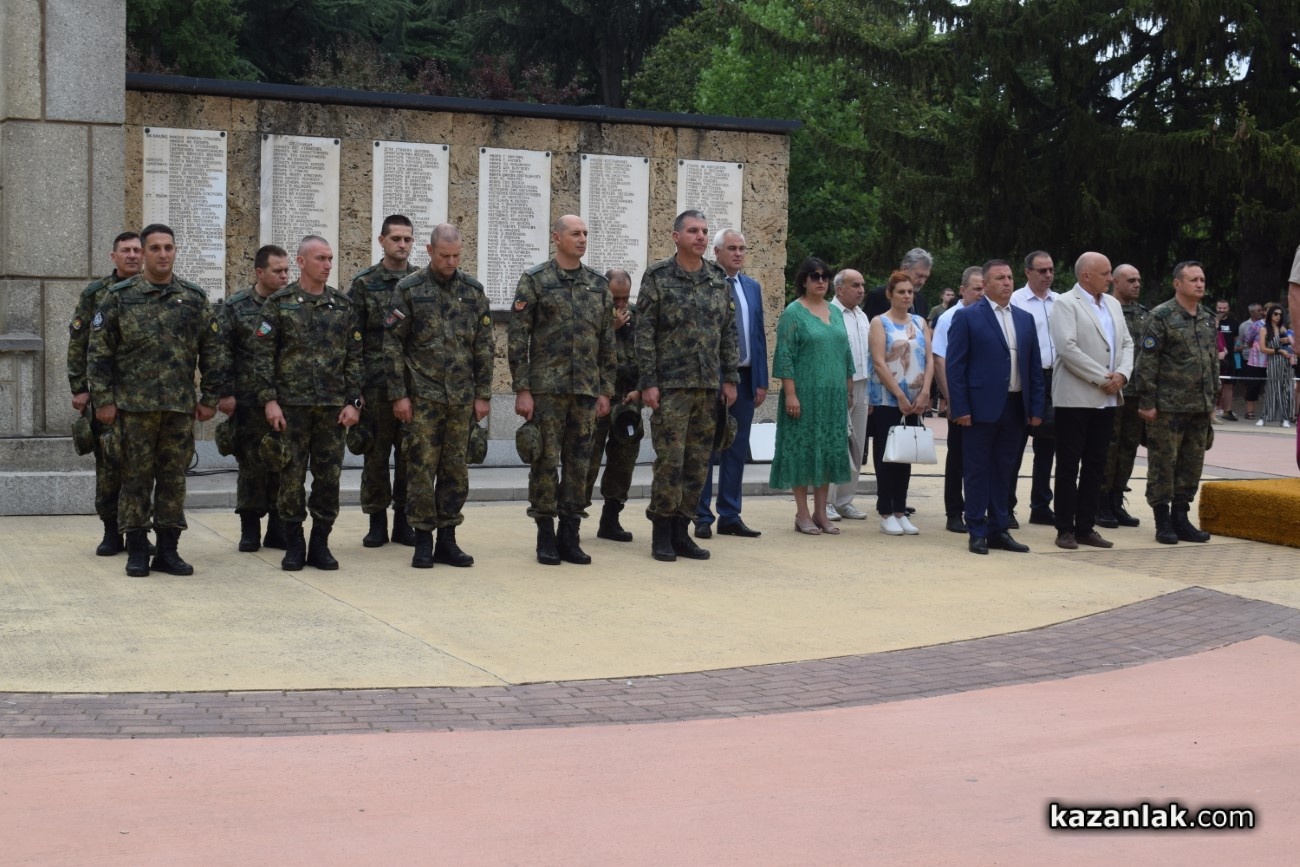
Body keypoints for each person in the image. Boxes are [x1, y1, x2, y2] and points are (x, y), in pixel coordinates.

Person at [86, 223, 226, 577]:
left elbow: (212, 351)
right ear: (145, 253)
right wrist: (103, 400)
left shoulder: (193, 298)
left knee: (173, 480)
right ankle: (136, 549)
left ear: (175, 251)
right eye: (155, 248)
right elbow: (99, 353)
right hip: (133, 409)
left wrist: (210, 397)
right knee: (134, 479)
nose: (163, 254)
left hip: (178, 408)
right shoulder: (119, 297)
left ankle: (168, 550)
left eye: (168, 247)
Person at [384, 223, 493, 569]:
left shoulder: (473, 291)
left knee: (455, 470)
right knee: (420, 468)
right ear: (430, 251)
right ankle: (422, 540)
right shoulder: (409, 289)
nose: (451, 262)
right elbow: (392, 344)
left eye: (456, 256)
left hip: (461, 399)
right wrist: (399, 395)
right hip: (423, 398)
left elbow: (484, 346)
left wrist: (483, 394)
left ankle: (448, 538)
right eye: (444, 255)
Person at [509, 215, 615, 566]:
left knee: (579, 465)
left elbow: (607, 342)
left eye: (585, 233)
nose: (582, 238)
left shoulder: (598, 284)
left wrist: (605, 390)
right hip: (546, 391)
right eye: (575, 233)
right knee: (544, 462)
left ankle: (570, 535)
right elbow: (518, 338)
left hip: (585, 391)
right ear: (556, 238)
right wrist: (522, 388)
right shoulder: (536, 281)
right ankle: (545, 536)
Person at [635, 210, 739, 561]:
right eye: (693, 230)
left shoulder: (717, 278)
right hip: (671, 387)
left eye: (705, 231)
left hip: (707, 387)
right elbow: (644, 333)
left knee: (697, 463)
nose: (700, 236)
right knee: (670, 462)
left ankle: (683, 532)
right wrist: (648, 382)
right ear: (676, 236)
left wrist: (730, 378)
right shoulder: (658, 276)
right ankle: (661, 534)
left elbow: (728, 331)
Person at [254, 235, 363, 571]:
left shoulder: (343, 305)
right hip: (292, 409)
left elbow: (355, 358)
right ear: (301, 262)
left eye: (330, 258)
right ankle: (294, 544)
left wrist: (354, 403)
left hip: (332, 410)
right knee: (290, 478)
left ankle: (320, 543)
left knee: (328, 479)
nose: (328, 265)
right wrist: (269, 401)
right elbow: (263, 356)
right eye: (320, 258)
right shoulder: (279, 304)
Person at [945, 259, 1045, 555]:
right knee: (976, 470)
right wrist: (960, 408)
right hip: (979, 409)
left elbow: (1034, 367)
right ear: (985, 284)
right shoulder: (967, 317)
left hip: (1015, 407)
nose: (1007, 282)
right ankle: (977, 529)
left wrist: (1035, 408)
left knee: (1005, 470)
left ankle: (999, 529)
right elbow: (955, 367)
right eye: (1000, 278)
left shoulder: (1024, 319)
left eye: (1010, 277)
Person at [1047, 252, 1133, 550]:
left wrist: (1122, 375)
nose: (1111, 278)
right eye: (1105, 273)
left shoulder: (1112, 304)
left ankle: (1086, 526)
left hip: (1107, 398)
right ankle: (1065, 528)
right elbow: (1067, 348)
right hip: (1075, 397)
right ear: (1086, 276)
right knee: (1069, 465)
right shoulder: (1065, 303)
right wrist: (1103, 377)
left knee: (1096, 464)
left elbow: (1127, 343)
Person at [1133, 261, 1219, 545]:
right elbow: (1147, 361)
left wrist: (1213, 399)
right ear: (1177, 284)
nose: (1200, 284)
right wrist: (1147, 401)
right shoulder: (1161, 316)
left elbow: (1212, 361)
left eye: (1202, 279)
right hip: (1168, 407)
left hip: (1199, 406)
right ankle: (1162, 520)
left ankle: (1181, 518)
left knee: (1192, 464)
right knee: (1163, 463)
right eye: (1193, 279)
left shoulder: (1207, 318)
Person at [67, 231, 142, 556]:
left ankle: (139, 531)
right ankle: (112, 531)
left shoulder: (155, 292)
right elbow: (78, 342)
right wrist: (80, 388)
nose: (132, 255)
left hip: (144, 399)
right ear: (113, 256)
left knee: (143, 469)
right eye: (126, 250)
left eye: (137, 250)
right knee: (109, 466)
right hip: (105, 397)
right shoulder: (96, 293)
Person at [768, 257, 853, 535]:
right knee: (802, 451)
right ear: (804, 280)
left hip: (833, 397)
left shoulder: (835, 312)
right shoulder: (793, 313)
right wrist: (790, 394)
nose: (821, 281)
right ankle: (802, 513)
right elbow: (784, 356)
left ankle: (821, 513)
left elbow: (845, 353)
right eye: (814, 276)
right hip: (804, 395)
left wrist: (848, 387)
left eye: (825, 276)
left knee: (827, 450)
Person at [349, 214, 419, 548]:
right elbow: (352, 339)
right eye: (396, 239)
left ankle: (403, 522)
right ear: (382, 241)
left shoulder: (420, 282)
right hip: (375, 385)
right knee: (375, 457)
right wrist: (354, 390)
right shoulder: (364, 283)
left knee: (409, 456)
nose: (402, 245)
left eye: (407, 239)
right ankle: (376, 522)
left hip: (412, 385)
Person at [218, 244, 291, 552]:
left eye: (287, 270)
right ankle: (250, 529)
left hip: (286, 398)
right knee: (251, 466)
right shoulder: (236, 307)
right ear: (260, 272)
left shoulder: (292, 304)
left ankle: (277, 528)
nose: (285, 276)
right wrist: (225, 392)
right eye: (278, 271)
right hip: (248, 402)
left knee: (283, 464)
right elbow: (222, 351)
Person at [695, 228, 768, 539]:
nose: (738, 253)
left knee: (737, 449)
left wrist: (761, 380)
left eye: (742, 248)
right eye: (732, 248)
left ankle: (730, 514)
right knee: (705, 449)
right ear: (717, 252)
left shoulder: (751, 287)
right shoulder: (706, 283)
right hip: (712, 378)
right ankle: (701, 516)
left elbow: (758, 335)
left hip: (746, 378)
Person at [868, 270, 933, 535]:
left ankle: (900, 510)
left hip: (916, 399)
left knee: (906, 454)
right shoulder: (879, 322)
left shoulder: (919, 322)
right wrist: (900, 395)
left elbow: (929, 359)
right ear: (890, 294)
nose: (907, 296)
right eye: (901, 292)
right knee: (887, 455)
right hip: (888, 398)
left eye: (910, 292)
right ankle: (886, 511)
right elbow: (879, 362)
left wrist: (926, 391)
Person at [583, 268, 642, 543]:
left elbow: (648, 355)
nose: (620, 304)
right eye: (615, 298)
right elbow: (582, 354)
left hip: (628, 402)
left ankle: (611, 519)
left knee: (623, 463)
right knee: (586, 462)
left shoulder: (638, 316)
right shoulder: (593, 314)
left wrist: (640, 389)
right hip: (597, 401)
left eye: (624, 298)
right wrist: (611, 328)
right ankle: (572, 520)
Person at [932, 265, 985, 533]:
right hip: (960, 397)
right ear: (962, 290)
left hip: (986, 398)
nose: (981, 293)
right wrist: (952, 399)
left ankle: (982, 509)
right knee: (958, 458)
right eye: (976, 289)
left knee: (984, 457)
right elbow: (939, 360)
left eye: (984, 288)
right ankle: (954, 512)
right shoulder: (949, 318)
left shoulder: (990, 315)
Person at [1096, 263, 1148, 529]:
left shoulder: (1145, 315)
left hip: (1135, 392)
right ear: (1115, 281)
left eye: (1138, 280)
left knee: (1128, 447)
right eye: (1131, 280)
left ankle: (1117, 499)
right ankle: (1100, 500)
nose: (1137, 285)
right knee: (1107, 446)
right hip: (1110, 389)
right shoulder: (1104, 309)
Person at [1009, 250, 1059, 526]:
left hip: (1056, 378)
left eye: (1051, 270)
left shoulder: (1060, 302)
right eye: (1042, 270)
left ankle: (1041, 505)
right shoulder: (1015, 301)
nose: (1048, 275)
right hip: (1026, 377)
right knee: (1015, 446)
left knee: (1048, 445)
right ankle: (1006, 506)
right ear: (1028, 272)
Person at [827, 268, 872, 521]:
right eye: (855, 285)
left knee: (857, 445)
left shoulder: (862, 316)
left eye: (862, 285)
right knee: (835, 444)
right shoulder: (829, 313)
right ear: (840, 288)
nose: (861, 290)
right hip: (839, 386)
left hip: (863, 385)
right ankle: (827, 501)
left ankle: (845, 501)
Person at [1255, 303, 1296, 428]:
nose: (1278, 316)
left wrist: (1288, 341)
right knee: (1272, 388)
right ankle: (1265, 416)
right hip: (1274, 361)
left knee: (1286, 389)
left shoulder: (1283, 329)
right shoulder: (1264, 329)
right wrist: (1278, 351)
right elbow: (1263, 349)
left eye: (1280, 314)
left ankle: (1285, 418)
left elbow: (1292, 345)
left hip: (1287, 362)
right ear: (1270, 315)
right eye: (1275, 314)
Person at [863, 248, 932, 319]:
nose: (922, 282)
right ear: (905, 269)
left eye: (926, 277)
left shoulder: (922, 301)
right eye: (919, 276)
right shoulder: (879, 296)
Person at [1213, 299, 1240, 421]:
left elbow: (1236, 340)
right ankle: (1212, 412)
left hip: (1229, 359)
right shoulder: (1210, 321)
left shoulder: (1233, 323)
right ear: (1216, 308)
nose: (1221, 310)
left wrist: (1236, 348)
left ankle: (1227, 411)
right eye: (1219, 308)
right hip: (1213, 359)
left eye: (1224, 308)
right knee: (1214, 385)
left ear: (1228, 309)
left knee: (1228, 385)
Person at [1238, 304, 1265, 420]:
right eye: (1258, 310)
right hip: (1249, 358)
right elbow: (1244, 340)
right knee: (1250, 384)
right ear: (1252, 313)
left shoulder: (1274, 324)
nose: (1261, 312)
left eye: (1262, 310)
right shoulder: (1244, 325)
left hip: (1268, 360)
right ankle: (1250, 410)